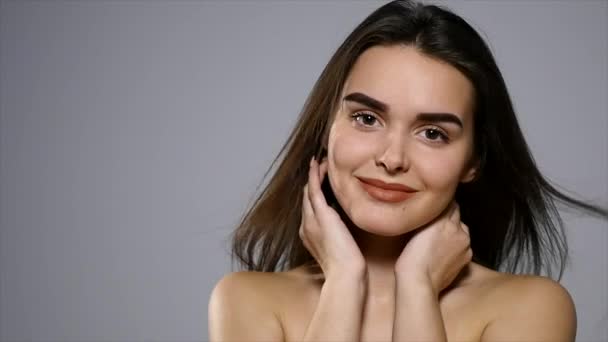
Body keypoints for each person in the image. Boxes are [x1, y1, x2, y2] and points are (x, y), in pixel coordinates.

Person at [208, 1, 607, 341]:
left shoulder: (531, 309)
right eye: (366, 118)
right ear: (326, 130)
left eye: (433, 133)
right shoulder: (247, 301)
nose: (392, 158)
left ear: (474, 161)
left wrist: (417, 287)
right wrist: (345, 281)